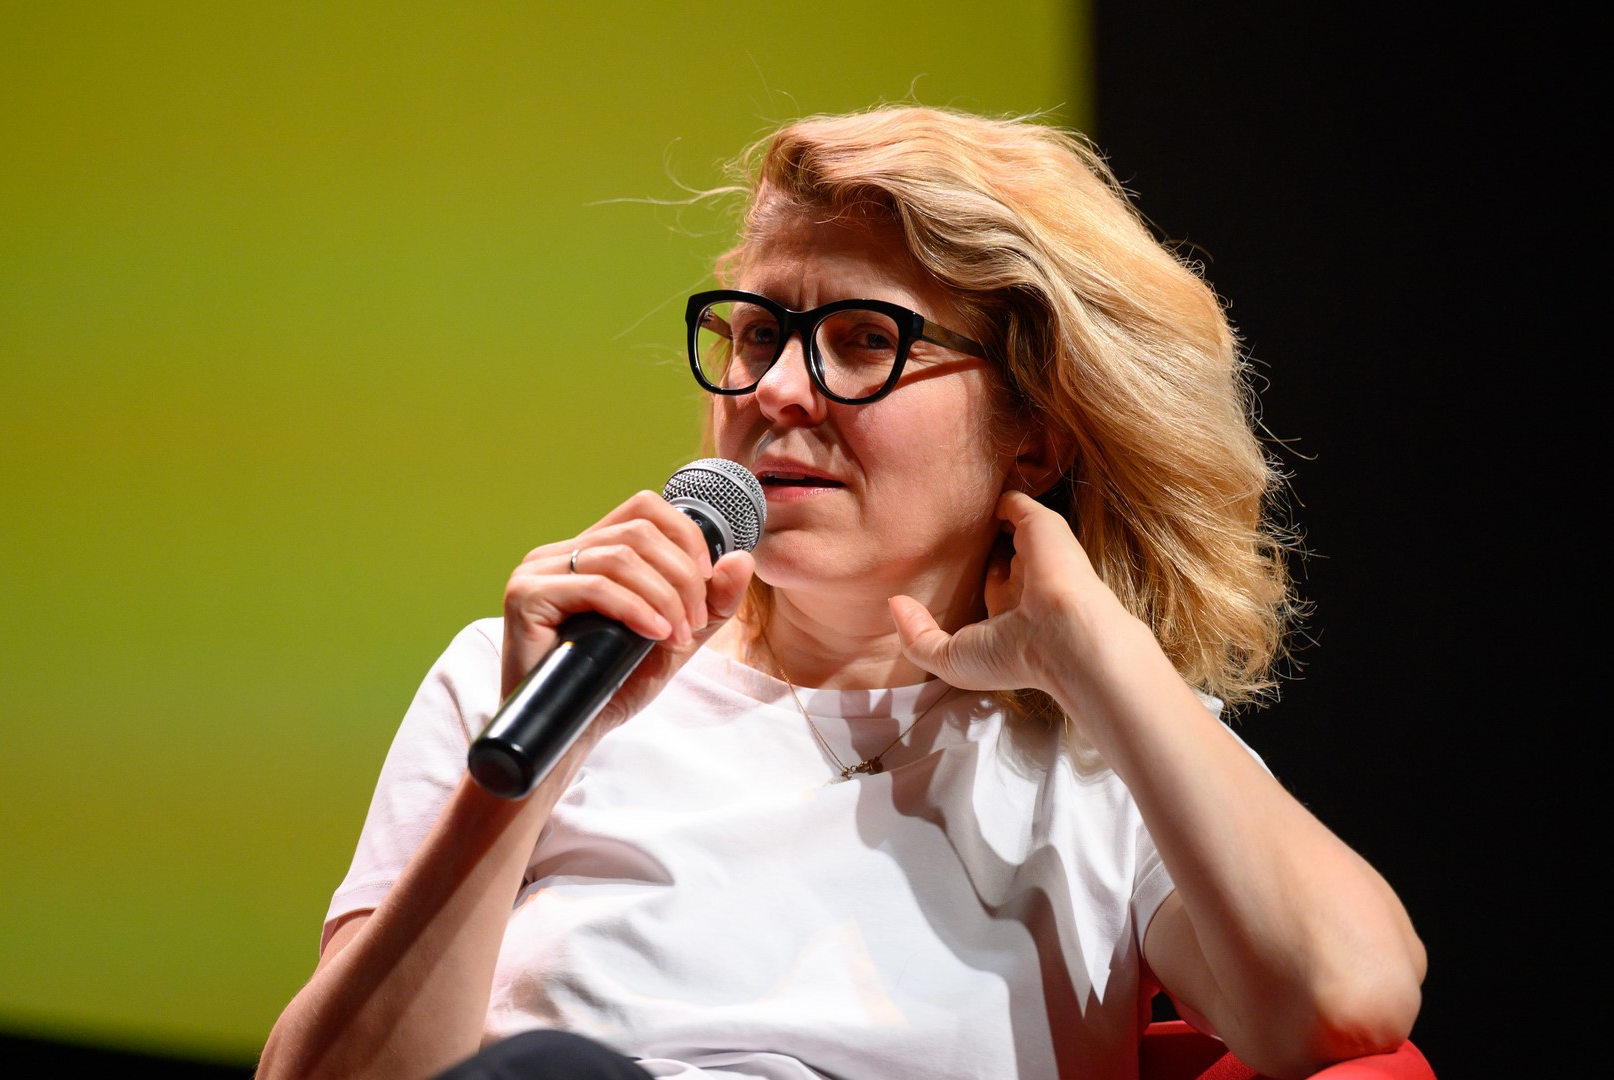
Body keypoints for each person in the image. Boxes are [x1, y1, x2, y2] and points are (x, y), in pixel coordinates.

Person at [256, 105, 1425, 1080]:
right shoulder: (528, 674)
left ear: (1032, 437)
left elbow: (1347, 1001)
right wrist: (522, 773)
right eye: (757, 333)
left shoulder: (1104, 755)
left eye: (863, 340)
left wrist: (1098, 653)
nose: (775, 389)